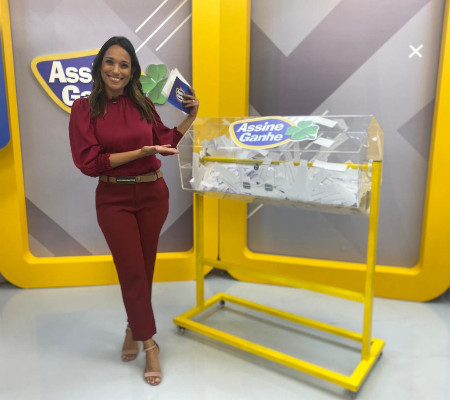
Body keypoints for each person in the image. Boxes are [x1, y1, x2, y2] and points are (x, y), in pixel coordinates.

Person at [68, 36, 199, 386]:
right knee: (132, 273)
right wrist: (141, 152)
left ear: (132, 71)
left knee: (144, 269)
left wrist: (191, 116)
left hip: (154, 194)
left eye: (124, 64)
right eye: (110, 62)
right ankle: (150, 344)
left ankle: (132, 327)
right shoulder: (84, 108)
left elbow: (165, 141)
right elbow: (89, 162)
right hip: (114, 200)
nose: (116, 70)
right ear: (100, 66)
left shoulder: (142, 103)